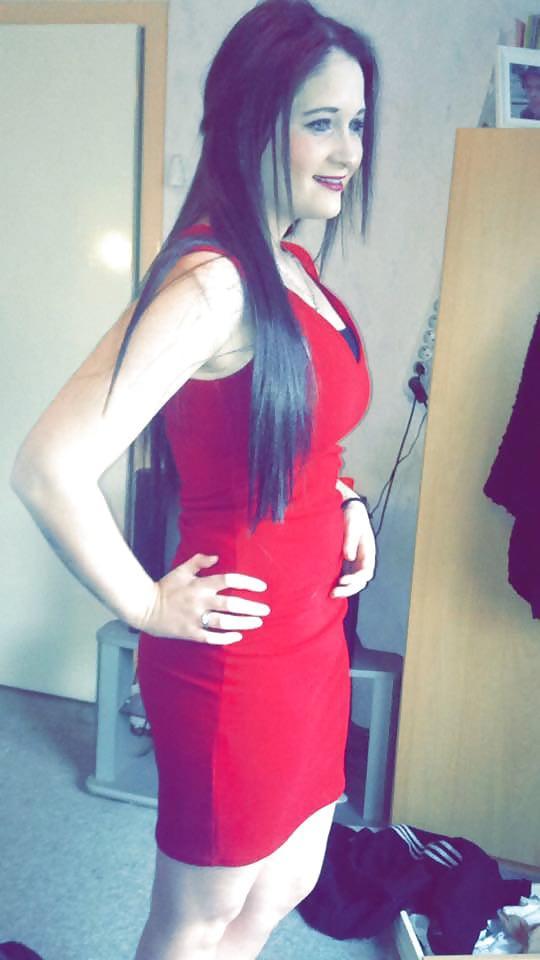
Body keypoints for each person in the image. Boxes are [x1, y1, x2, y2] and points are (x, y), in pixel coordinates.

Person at [11, 1, 378, 957]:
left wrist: (345, 501)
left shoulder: (292, 265)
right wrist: (143, 604)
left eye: (357, 122)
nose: (349, 150)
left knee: (284, 884)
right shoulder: (214, 284)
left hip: (314, 639)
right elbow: (48, 466)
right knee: (198, 917)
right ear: (255, 120)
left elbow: (301, 433)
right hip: (237, 659)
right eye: (322, 122)